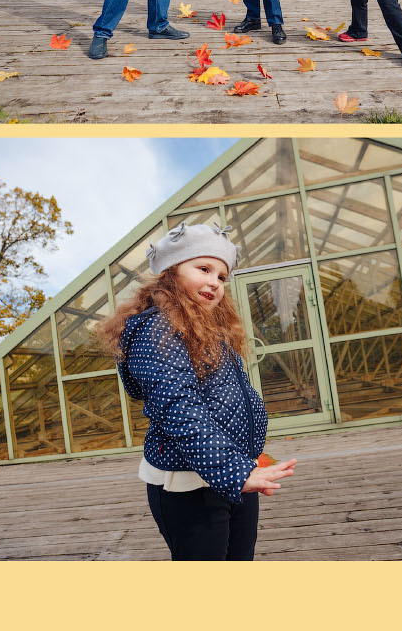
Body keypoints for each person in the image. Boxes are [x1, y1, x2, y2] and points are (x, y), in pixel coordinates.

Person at [96, 222, 298, 561]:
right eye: (203, 268)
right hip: (190, 486)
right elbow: (178, 407)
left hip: (233, 473)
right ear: (171, 271)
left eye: (221, 276)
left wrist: (243, 466)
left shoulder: (210, 330)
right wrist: (237, 472)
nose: (214, 282)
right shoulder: (156, 330)